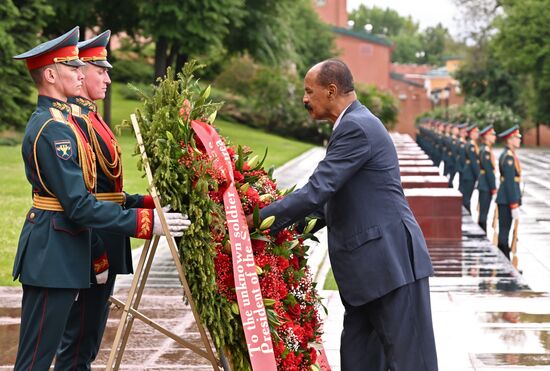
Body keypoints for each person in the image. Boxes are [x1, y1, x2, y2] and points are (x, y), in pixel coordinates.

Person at [12, 27, 189, 370]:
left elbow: (96, 192)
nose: (82, 74)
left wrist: (144, 206)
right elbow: (79, 203)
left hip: (67, 247)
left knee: (74, 349)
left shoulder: (62, 122)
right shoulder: (53, 128)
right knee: (36, 359)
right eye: (72, 67)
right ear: (50, 74)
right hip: (53, 251)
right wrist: (144, 222)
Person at [248, 59, 438, 370]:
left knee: (412, 363)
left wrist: (258, 220)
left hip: (391, 267)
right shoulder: (351, 125)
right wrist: (284, 234)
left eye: (309, 92)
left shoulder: (356, 127)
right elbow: (327, 205)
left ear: (332, 90)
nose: (305, 99)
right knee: (358, 362)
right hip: (368, 276)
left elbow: (317, 190)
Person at [53, 30, 156, 369]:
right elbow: (84, 199)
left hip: (103, 237)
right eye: (102, 71)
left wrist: (144, 201)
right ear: (80, 74)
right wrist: (97, 254)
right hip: (90, 244)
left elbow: (107, 189)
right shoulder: (75, 124)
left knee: (89, 336)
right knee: (79, 341)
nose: (108, 79)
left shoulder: (91, 119)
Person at [496, 125, 522, 260]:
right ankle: (504, 260)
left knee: (505, 230)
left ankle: (504, 259)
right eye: (517, 138)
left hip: (507, 199)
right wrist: (513, 204)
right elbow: (510, 183)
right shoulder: (508, 158)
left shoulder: (510, 155)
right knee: (504, 231)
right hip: (507, 199)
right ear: (510, 140)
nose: (519, 140)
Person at [477, 125, 497, 232]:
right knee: (484, 214)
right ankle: (482, 235)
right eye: (492, 134)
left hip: (484, 184)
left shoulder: (486, 149)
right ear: (486, 136)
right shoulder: (485, 151)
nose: (494, 136)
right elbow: (489, 172)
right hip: (485, 185)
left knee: (484, 212)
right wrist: (493, 187)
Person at [459, 124, 480, 213]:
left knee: (467, 197)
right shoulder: (471, 146)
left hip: (468, 174)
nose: (478, 134)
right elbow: (474, 163)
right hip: (469, 175)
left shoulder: (472, 144)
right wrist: (479, 176)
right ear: (471, 134)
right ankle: (467, 214)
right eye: (476, 132)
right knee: (467, 198)